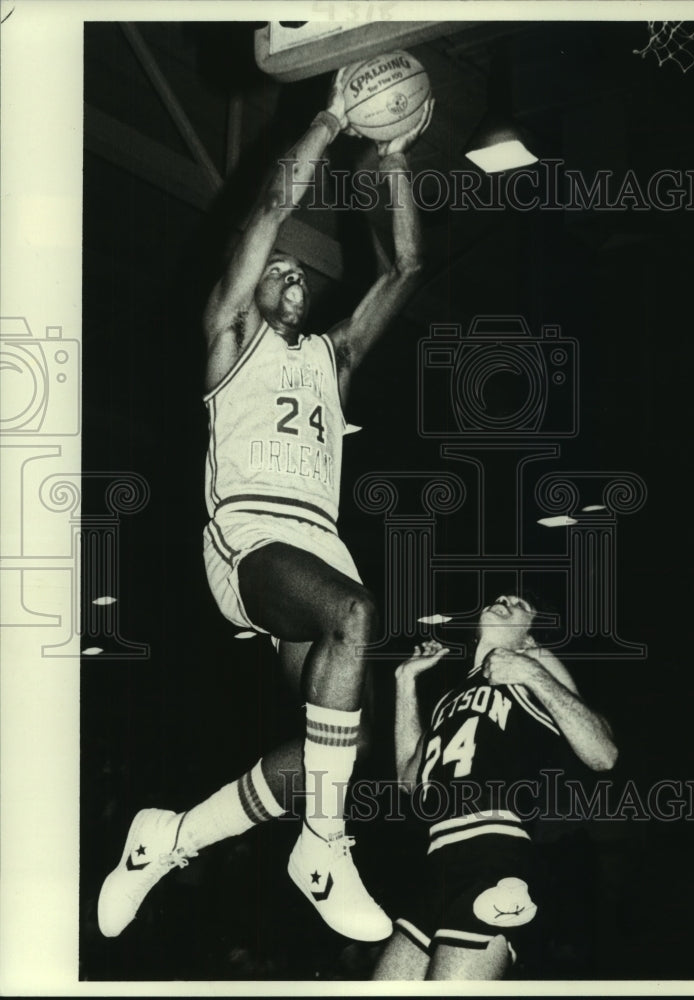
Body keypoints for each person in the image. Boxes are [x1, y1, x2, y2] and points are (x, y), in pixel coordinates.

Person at [98, 68, 432, 944]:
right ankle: (321, 847)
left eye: (296, 273)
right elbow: (264, 216)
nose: (286, 270)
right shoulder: (228, 340)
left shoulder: (333, 359)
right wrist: (330, 119)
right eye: (274, 269)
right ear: (248, 295)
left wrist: (392, 155)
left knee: (339, 750)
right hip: (247, 540)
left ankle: (172, 836)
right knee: (356, 616)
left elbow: (405, 264)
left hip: (315, 546)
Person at [372, 594, 618, 981]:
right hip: (436, 860)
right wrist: (405, 681)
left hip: (494, 854)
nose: (505, 599)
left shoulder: (532, 661)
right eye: (501, 597)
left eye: (520, 604)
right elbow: (408, 781)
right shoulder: (450, 697)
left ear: (529, 635)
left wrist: (532, 669)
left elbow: (603, 753)